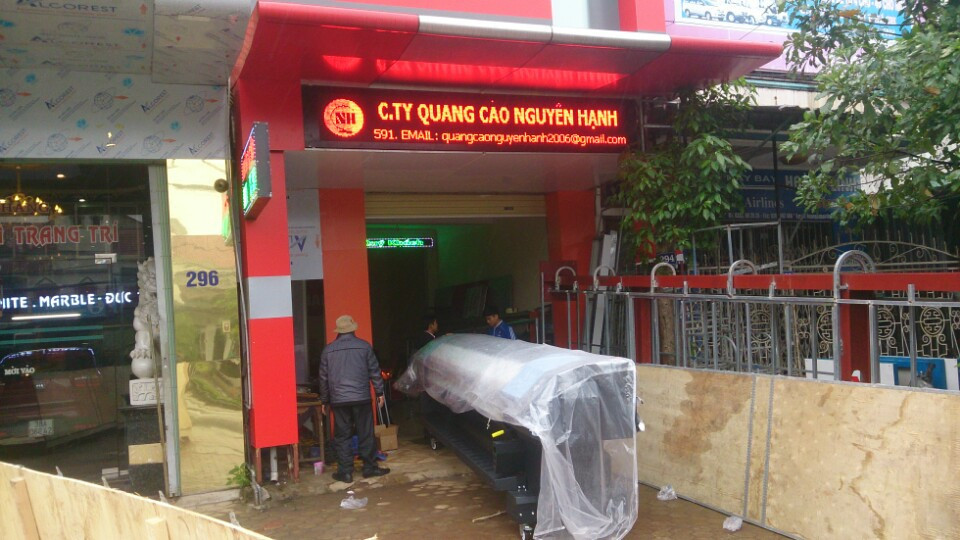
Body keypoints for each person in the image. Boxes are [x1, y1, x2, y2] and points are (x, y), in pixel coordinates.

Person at [318, 315, 390, 483]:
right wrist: (379, 392)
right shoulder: (364, 346)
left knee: (342, 436)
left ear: (338, 331)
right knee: (366, 433)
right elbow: (374, 371)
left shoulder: (328, 350)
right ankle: (369, 468)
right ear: (353, 329)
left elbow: (323, 378)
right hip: (361, 397)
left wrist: (324, 400)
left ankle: (345, 472)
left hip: (339, 400)